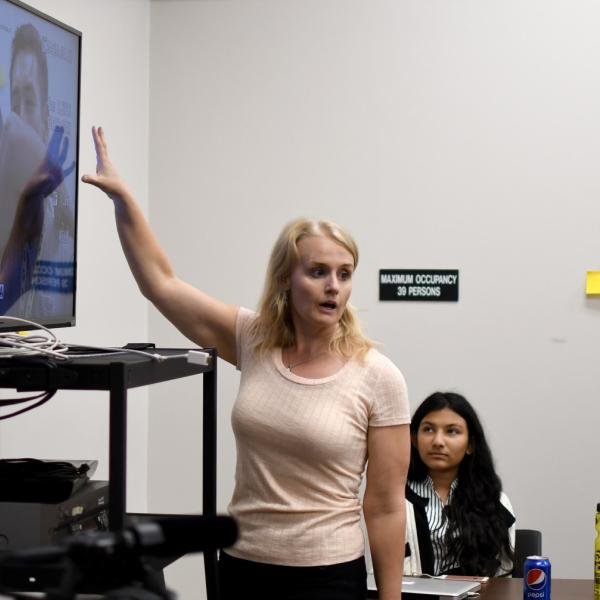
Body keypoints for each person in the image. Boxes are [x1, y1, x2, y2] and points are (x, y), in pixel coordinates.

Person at [82, 126, 411, 600]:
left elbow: (383, 507)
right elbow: (161, 283)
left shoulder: (378, 376)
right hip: (241, 568)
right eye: (317, 272)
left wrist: (391, 598)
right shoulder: (253, 339)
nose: (333, 286)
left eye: (344, 274)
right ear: (286, 280)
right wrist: (123, 200)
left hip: (328, 577)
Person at [0, 23, 75, 318]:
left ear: (45, 119)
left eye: (28, 102)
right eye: (14, 101)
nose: (17, 118)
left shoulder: (63, 236)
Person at [404, 392, 515, 578]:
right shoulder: (392, 498)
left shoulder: (495, 501)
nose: (438, 442)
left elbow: (504, 578)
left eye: (452, 431)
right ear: (414, 440)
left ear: (470, 444)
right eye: (428, 429)